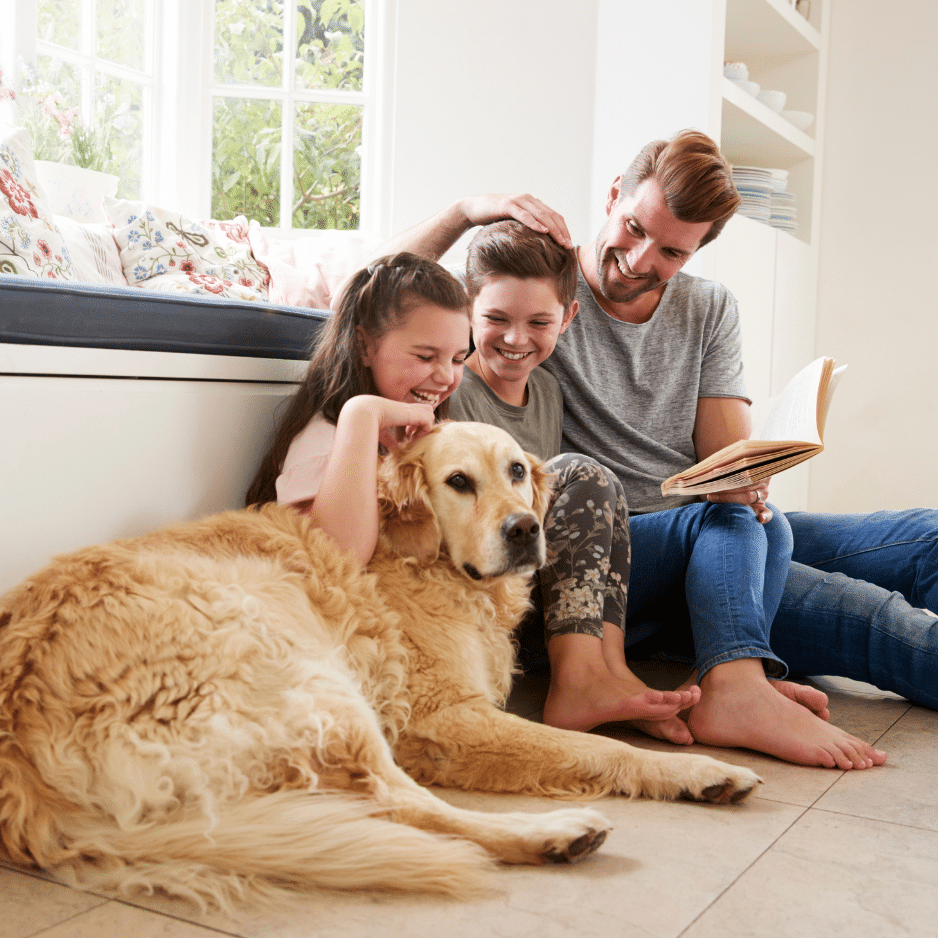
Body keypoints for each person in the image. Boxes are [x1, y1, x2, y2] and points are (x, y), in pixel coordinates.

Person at [375, 130, 938, 770]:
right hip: (626, 548)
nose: (640, 260)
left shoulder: (703, 308)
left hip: (703, 530)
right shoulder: (532, 287)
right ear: (614, 194)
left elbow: (723, 460)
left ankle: (734, 658)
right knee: (900, 632)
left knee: (906, 535)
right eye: (633, 227)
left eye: (671, 250)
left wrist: (751, 474)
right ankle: (736, 675)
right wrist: (465, 209)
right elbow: (382, 292)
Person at [449, 218, 700, 732]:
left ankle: (610, 672)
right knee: (582, 473)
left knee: (608, 488)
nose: (517, 339)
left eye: (539, 323)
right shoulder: (454, 392)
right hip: (485, 593)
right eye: (496, 318)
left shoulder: (547, 391)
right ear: (466, 309)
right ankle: (579, 682)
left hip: (536, 590)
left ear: (568, 319)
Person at [245, 252, 472, 568]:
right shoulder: (326, 442)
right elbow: (340, 561)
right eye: (425, 357)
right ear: (364, 345)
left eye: (459, 359)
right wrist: (364, 413)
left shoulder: (410, 432)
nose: (447, 376)